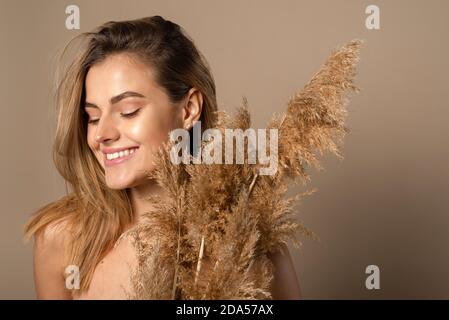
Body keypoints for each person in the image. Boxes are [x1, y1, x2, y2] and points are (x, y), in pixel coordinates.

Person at [24, 15, 301, 299]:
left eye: (128, 111)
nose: (101, 134)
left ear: (189, 109)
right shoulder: (63, 240)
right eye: (92, 117)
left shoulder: (246, 242)